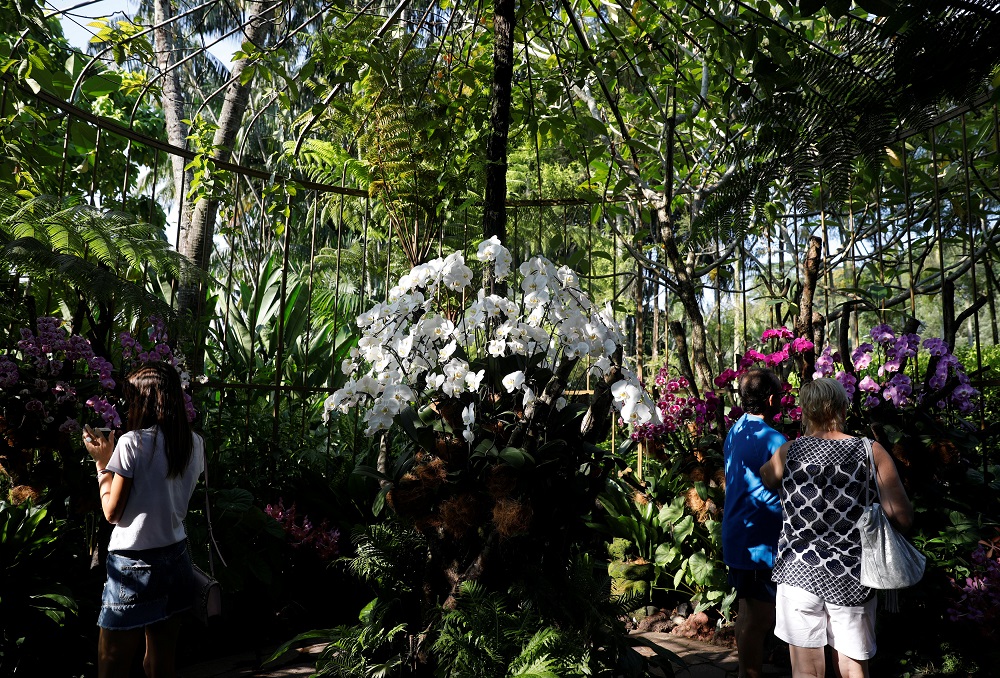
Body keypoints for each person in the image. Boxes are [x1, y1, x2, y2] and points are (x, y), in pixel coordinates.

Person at [760, 377, 913, 678]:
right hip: (852, 573)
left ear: (806, 411)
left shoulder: (789, 452)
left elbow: (767, 477)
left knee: (806, 670)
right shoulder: (870, 451)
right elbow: (902, 516)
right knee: (852, 667)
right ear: (843, 408)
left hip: (799, 570)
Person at [83, 362, 205, 678]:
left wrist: (102, 464)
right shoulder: (194, 443)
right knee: (160, 665)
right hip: (176, 558)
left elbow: (112, 513)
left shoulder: (133, 442)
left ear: (144, 401)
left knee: (111, 667)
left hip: (133, 566)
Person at [722, 368, 787, 678]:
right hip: (760, 541)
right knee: (760, 619)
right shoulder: (774, 439)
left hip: (738, 533)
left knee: (747, 613)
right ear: (771, 400)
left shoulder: (737, 430)